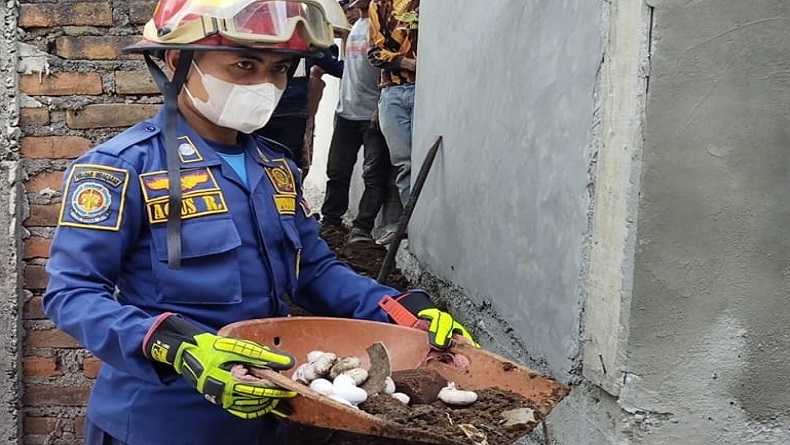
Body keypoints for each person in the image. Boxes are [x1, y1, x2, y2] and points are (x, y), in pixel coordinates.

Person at [42, 1, 475, 444]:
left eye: (280, 68)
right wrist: (172, 345)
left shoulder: (277, 168)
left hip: (272, 409)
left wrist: (401, 312)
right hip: (160, 419)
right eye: (244, 65)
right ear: (178, 61)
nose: (265, 84)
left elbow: (315, 271)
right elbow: (73, 293)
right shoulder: (122, 169)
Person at [319, 0, 398, 244]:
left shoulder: (380, 25)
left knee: (374, 176)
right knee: (337, 171)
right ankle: (331, 221)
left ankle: (361, 228)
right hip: (346, 113)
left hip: (371, 115)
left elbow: (388, 63)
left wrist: (381, 105)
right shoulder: (354, 26)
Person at [368, 0, 419, 211]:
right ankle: (414, 226)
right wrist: (407, 63)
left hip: (425, 88)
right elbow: (375, 53)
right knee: (404, 164)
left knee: (424, 158)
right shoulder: (380, 4)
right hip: (393, 91)